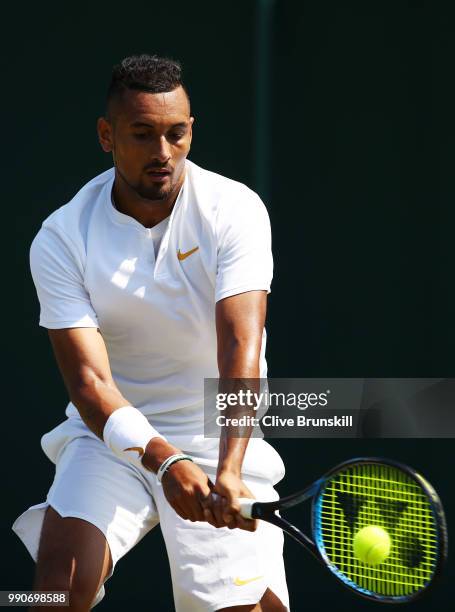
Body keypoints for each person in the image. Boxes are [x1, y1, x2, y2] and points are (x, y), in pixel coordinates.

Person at [12, 54, 289, 612]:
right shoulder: (63, 237)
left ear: (191, 131)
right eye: (142, 135)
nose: (163, 153)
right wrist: (163, 460)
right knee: (49, 596)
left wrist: (230, 468)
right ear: (106, 135)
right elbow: (90, 384)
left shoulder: (235, 210)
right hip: (110, 439)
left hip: (218, 438)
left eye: (176, 133)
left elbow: (241, 346)